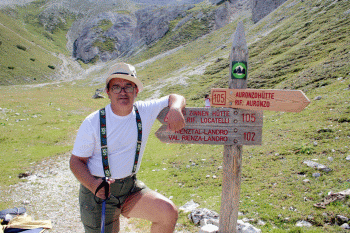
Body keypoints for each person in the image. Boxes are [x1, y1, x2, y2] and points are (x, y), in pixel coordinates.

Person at [70, 62, 186, 233]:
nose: (123, 92)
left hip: (130, 188)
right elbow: (76, 162)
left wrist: (176, 108)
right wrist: (94, 185)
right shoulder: (93, 122)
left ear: (136, 91)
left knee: (167, 212)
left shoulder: (144, 111)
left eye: (128, 86)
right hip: (98, 191)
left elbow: (174, 97)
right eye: (116, 87)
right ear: (108, 92)